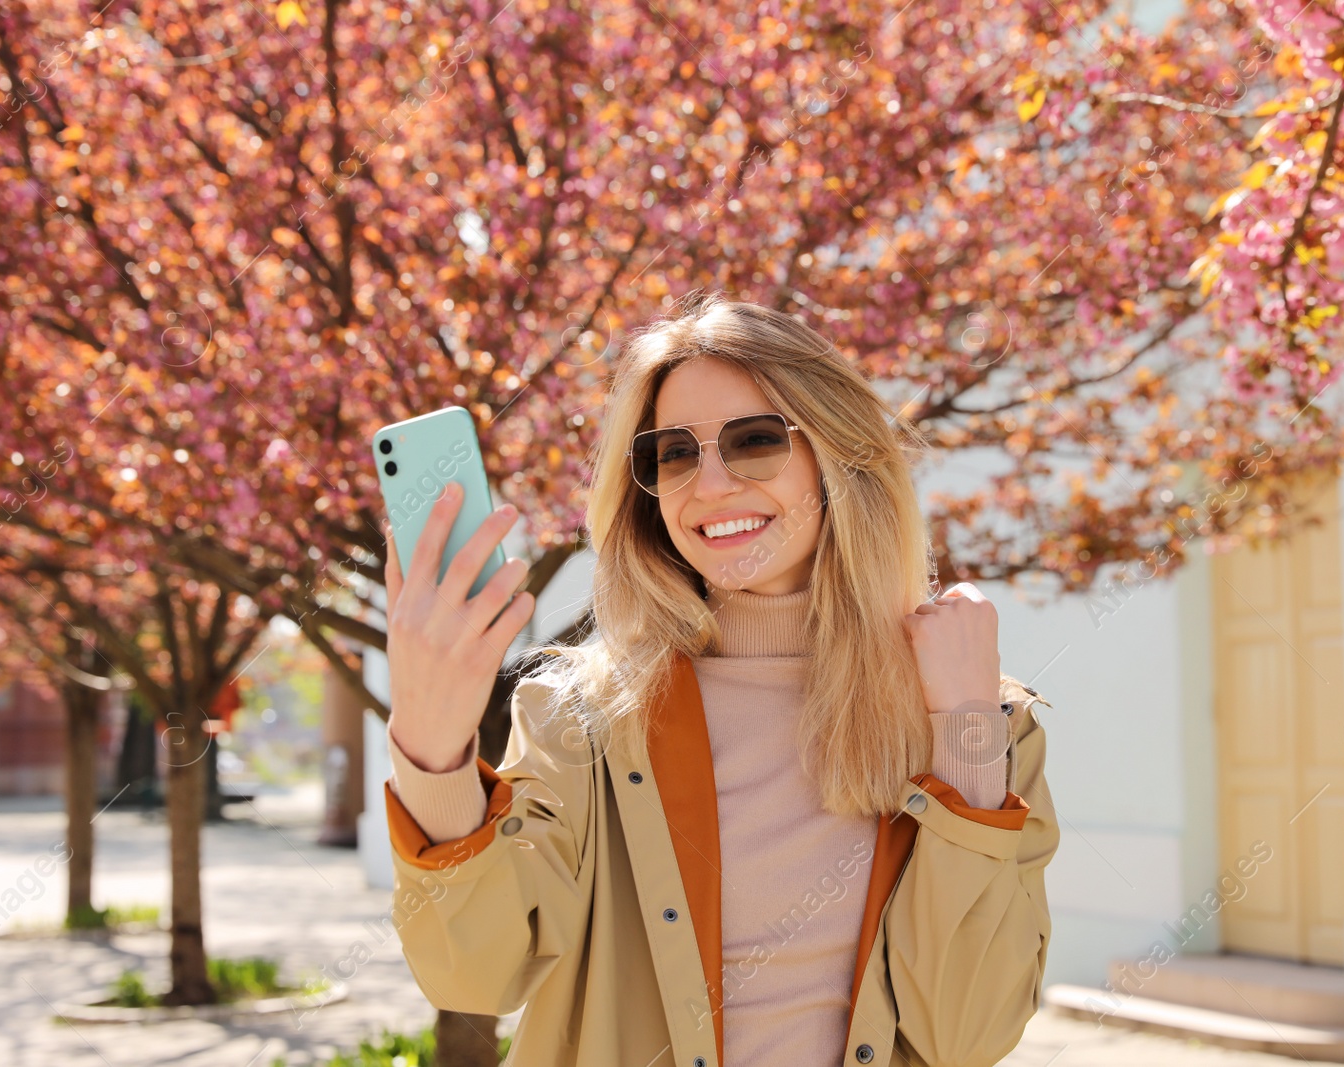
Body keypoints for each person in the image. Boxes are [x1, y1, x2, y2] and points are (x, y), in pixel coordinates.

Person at [381, 289, 1061, 1067]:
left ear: (838, 453)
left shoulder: (983, 723)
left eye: (754, 440)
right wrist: (433, 751)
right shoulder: (582, 715)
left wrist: (965, 734)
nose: (707, 486)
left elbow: (969, 1032)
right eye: (673, 453)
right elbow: (476, 971)